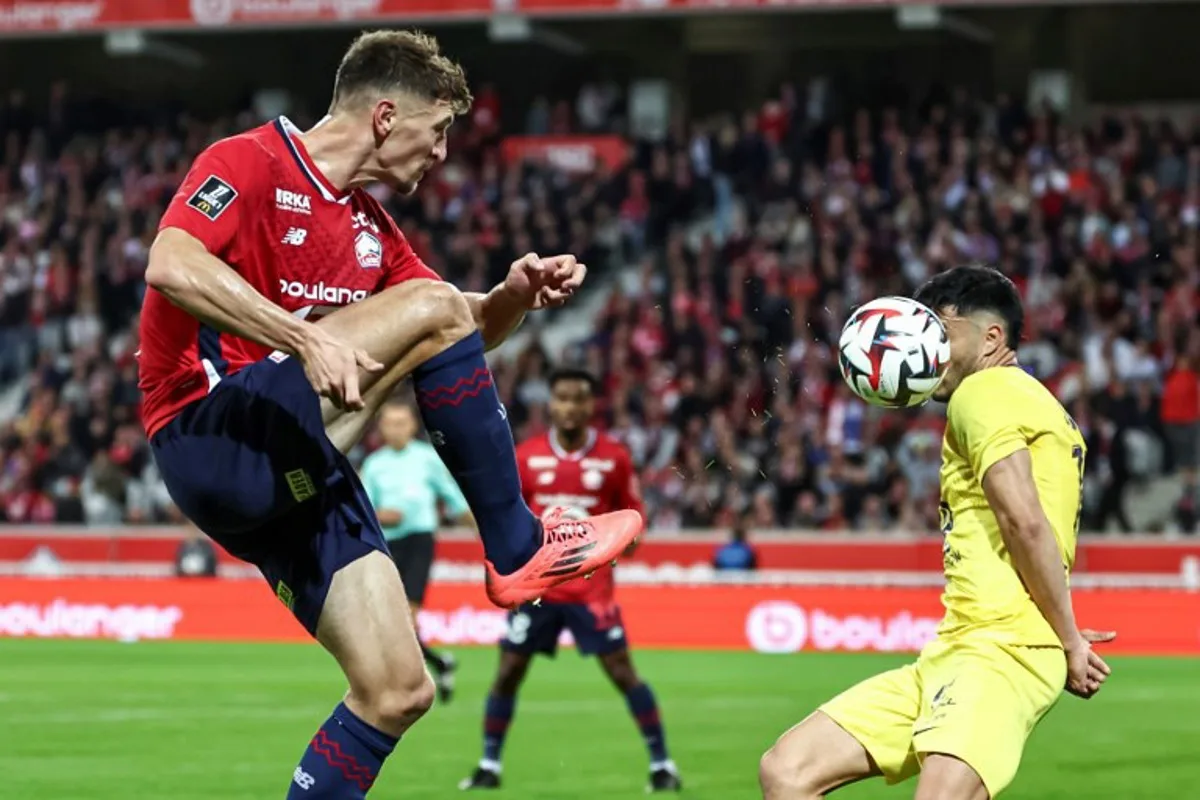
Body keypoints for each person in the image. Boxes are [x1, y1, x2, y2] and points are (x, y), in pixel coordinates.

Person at [137, 30, 643, 800]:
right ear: (384, 117)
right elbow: (170, 263)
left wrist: (512, 296)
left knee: (397, 689)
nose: (444, 153)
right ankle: (515, 546)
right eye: (438, 131)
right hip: (211, 432)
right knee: (433, 306)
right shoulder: (249, 161)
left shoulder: (372, 229)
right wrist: (302, 336)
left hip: (298, 471)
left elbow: (452, 331)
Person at [758, 266, 1116, 800]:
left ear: (992, 337)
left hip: (1002, 647)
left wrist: (1066, 638)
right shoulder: (1029, 399)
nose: (930, 352)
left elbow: (1024, 519)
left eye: (942, 333)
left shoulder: (985, 393)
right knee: (788, 769)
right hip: (956, 647)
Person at [459, 368, 682, 793]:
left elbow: (632, 518)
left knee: (622, 672)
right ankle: (488, 764)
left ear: (591, 405)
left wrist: (621, 546)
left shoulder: (614, 458)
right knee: (507, 672)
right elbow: (502, 515)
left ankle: (662, 764)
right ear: (551, 404)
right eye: (562, 398)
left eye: (579, 399)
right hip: (538, 589)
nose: (570, 407)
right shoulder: (525, 455)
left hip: (590, 590)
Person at [360, 399, 472, 703]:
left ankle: (409, 682)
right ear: (380, 427)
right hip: (386, 543)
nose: (395, 429)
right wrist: (381, 515)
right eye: (389, 423)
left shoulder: (426, 459)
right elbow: (364, 508)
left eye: (401, 423)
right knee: (389, 619)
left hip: (419, 540)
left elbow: (454, 498)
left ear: (412, 426)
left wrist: (486, 530)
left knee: (406, 616)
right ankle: (439, 664)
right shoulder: (374, 464)